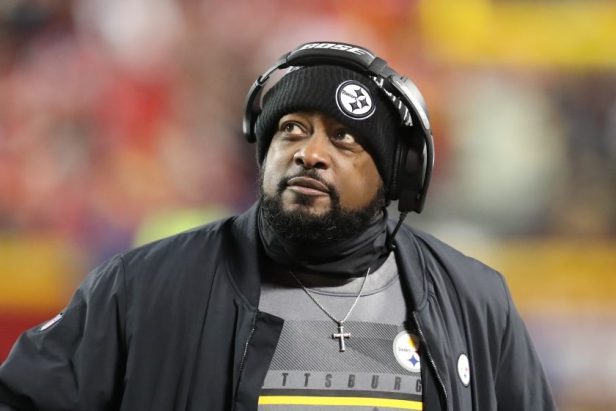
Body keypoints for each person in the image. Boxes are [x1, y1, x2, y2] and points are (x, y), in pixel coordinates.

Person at [0, 41, 556, 411]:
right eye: (293, 129)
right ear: (262, 152)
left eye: (344, 139)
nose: (311, 153)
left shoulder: (474, 301)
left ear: (395, 178)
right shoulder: (141, 288)